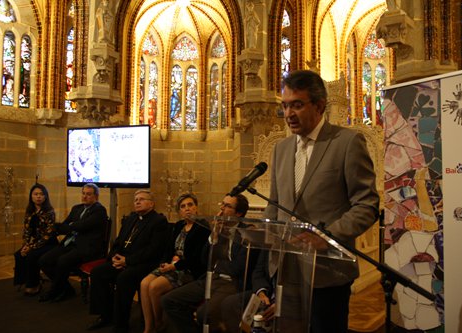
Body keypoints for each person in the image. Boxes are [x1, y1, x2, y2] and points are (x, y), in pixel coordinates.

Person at [265, 69, 380, 332]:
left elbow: (367, 205)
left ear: (319, 105)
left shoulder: (347, 142)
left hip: (328, 272)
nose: (288, 114)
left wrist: (326, 236)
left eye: (297, 105)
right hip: (285, 270)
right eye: (285, 106)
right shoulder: (281, 149)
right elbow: (274, 203)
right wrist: (266, 233)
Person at [161, 193, 259, 333]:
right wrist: (214, 236)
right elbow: (205, 260)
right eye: (222, 204)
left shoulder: (247, 232)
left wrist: (216, 265)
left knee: (204, 314)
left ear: (238, 213)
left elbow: (238, 267)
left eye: (228, 206)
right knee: (168, 301)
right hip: (211, 279)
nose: (222, 209)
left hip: (231, 283)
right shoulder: (218, 229)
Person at [87, 190, 169, 333]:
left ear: (151, 203)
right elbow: (118, 241)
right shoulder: (132, 218)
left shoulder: (158, 221)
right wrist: (113, 256)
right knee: (98, 273)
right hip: (123, 259)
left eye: (141, 199)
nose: (137, 201)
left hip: (144, 263)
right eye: (135, 199)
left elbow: (153, 250)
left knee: (124, 278)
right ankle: (106, 315)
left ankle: (121, 324)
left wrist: (127, 261)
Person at [139, 193, 210, 333]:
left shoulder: (202, 227)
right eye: (183, 207)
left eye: (190, 205)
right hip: (172, 264)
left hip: (189, 269)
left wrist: (174, 265)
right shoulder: (178, 225)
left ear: (196, 208)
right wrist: (165, 263)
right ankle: (148, 327)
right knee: (144, 283)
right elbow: (168, 248)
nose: (187, 209)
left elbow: (196, 258)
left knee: (154, 287)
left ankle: (159, 324)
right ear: (179, 211)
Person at [38, 183, 108, 302]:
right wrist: (69, 226)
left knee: (62, 261)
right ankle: (66, 288)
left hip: (86, 247)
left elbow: (83, 226)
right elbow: (65, 225)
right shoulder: (77, 208)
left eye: (89, 194)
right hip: (69, 243)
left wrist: (71, 226)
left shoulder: (99, 210)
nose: (85, 196)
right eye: (83, 193)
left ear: (96, 196)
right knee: (44, 260)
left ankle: (54, 291)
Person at [13, 183, 58, 296]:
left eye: (41, 194)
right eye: (35, 194)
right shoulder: (29, 211)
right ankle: (24, 281)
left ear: (45, 196)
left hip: (49, 243)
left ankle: (34, 285)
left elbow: (46, 236)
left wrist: (31, 248)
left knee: (31, 255)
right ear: (31, 196)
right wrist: (26, 245)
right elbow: (27, 231)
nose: (38, 196)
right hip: (36, 243)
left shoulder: (49, 212)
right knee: (19, 254)